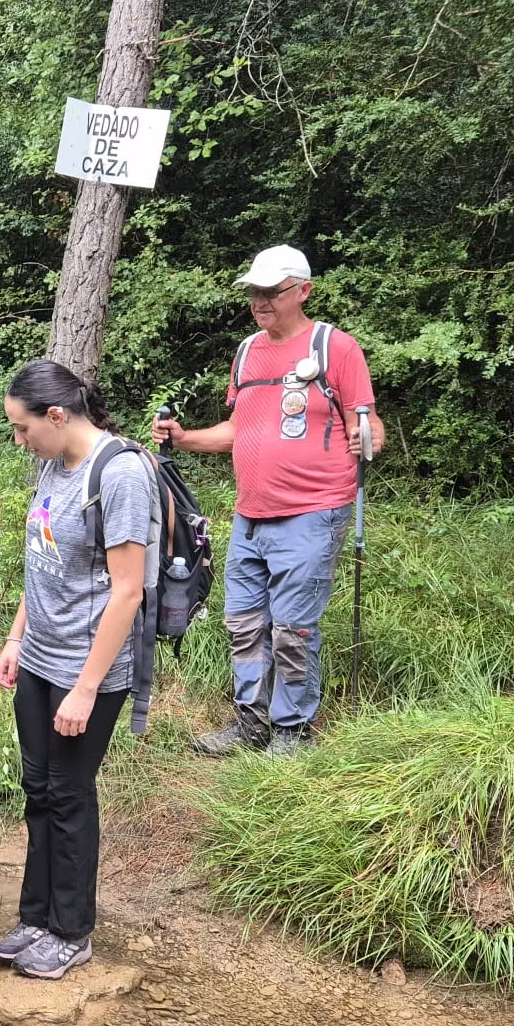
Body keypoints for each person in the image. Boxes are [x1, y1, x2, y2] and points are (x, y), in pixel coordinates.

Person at [154, 244, 387, 756]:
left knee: (292, 628)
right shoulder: (246, 352)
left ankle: (291, 730)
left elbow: (368, 428)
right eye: (254, 292)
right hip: (250, 515)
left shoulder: (335, 348)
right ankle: (251, 722)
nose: (260, 301)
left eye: (271, 292)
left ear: (302, 291)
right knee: (243, 624)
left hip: (314, 510)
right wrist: (184, 437)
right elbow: (238, 429)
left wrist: (366, 435)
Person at [0, 360, 148, 980]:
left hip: (88, 670)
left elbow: (128, 590)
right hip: (38, 658)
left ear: (57, 416)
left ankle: (72, 930)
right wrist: (15, 637)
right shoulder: (54, 468)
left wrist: (85, 689)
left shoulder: (122, 473)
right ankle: (36, 917)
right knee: (38, 791)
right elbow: (44, 560)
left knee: (69, 795)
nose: (18, 440)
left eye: (22, 428)